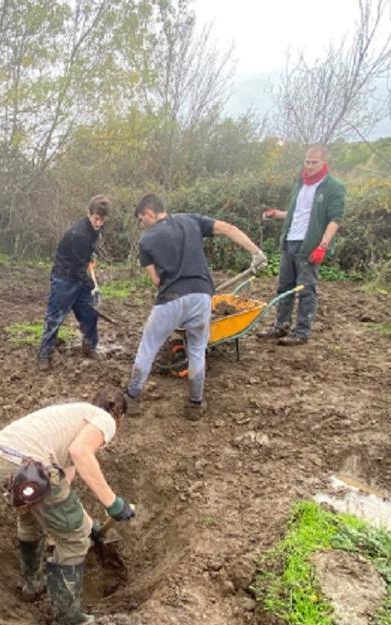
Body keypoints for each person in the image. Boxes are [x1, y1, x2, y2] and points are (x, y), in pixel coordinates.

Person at [0, 388, 133, 625]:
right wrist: (113, 503)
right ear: (119, 415)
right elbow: (80, 452)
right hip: (29, 467)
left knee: (31, 519)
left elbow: (62, 492)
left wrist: (86, 521)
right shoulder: (104, 419)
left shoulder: (73, 418)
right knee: (74, 539)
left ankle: (33, 585)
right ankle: (68, 616)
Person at [125, 194, 267, 421]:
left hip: (170, 297)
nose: (142, 225)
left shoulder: (147, 240)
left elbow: (156, 281)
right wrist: (256, 252)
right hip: (202, 296)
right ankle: (195, 403)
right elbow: (228, 228)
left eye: (141, 220)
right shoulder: (190, 220)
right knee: (197, 350)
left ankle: (132, 397)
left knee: (148, 347)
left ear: (149, 213)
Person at [257, 144, 345, 346]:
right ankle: (281, 326)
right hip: (290, 240)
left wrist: (322, 245)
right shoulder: (301, 183)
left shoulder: (333, 187)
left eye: (315, 162)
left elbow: (335, 219)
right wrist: (277, 214)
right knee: (284, 287)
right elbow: (299, 213)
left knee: (306, 289)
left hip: (310, 244)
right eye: (307, 161)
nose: (310, 166)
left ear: (324, 163)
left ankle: (301, 332)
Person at [37, 195, 110, 369]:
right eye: (96, 219)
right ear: (88, 213)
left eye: (102, 220)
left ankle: (89, 346)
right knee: (55, 317)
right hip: (64, 278)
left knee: (90, 313)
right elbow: (78, 268)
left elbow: (84, 257)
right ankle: (44, 354)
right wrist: (92, 286)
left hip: (78, 275)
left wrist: (90, 257)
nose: (99, 223)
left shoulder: (93, 231)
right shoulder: (79, 234)